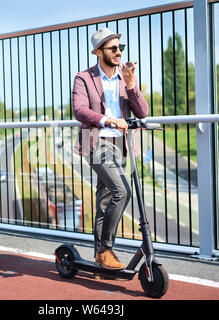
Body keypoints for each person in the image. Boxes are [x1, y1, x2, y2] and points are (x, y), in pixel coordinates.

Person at [72, 27, 149, 270]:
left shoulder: (123, 78)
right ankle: (106, 249)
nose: (118, 52)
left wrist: (132, 85)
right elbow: (80, 110)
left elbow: (143, 112)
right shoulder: (84, 78)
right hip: (96, 142)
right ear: (98, 52)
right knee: (122, 191)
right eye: (112, 47)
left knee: (105, 201)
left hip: (120, 145)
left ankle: (100, 260)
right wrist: (108, 119)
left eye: (120, 47)